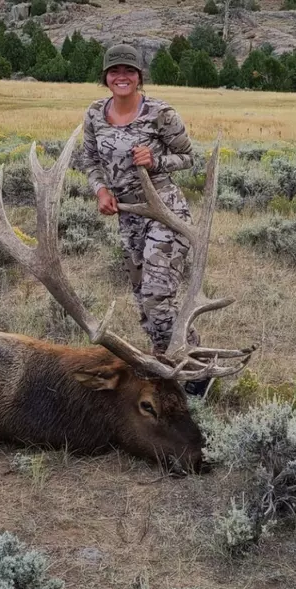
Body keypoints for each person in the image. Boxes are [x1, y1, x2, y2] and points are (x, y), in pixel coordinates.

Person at [81, 43, 209, 398]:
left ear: (139, 77)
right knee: (144, 300)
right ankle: (176, 366)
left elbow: (187, 157)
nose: (122, 77)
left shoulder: (161, 113)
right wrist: (101, 190)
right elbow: (90, 160)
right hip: (128, 217)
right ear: (105, 77)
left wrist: (156, 161)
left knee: (156, 294)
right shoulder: (94, 114)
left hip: (166, 213)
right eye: (114, 71)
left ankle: (194, 374)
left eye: (129, 71)